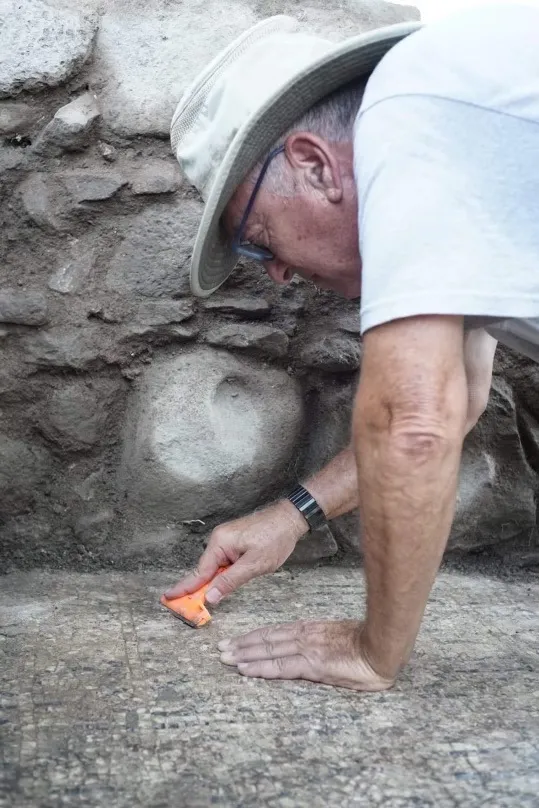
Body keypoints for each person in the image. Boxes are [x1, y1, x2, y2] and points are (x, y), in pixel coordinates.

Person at [163, 4, 539, 690]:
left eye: (252, 236)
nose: (270, 269)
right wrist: (289, 518)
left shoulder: (409, 105)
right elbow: (454, 402)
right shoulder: (461, 160)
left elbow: (413, 424)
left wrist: (373, 649)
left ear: (313, 167)